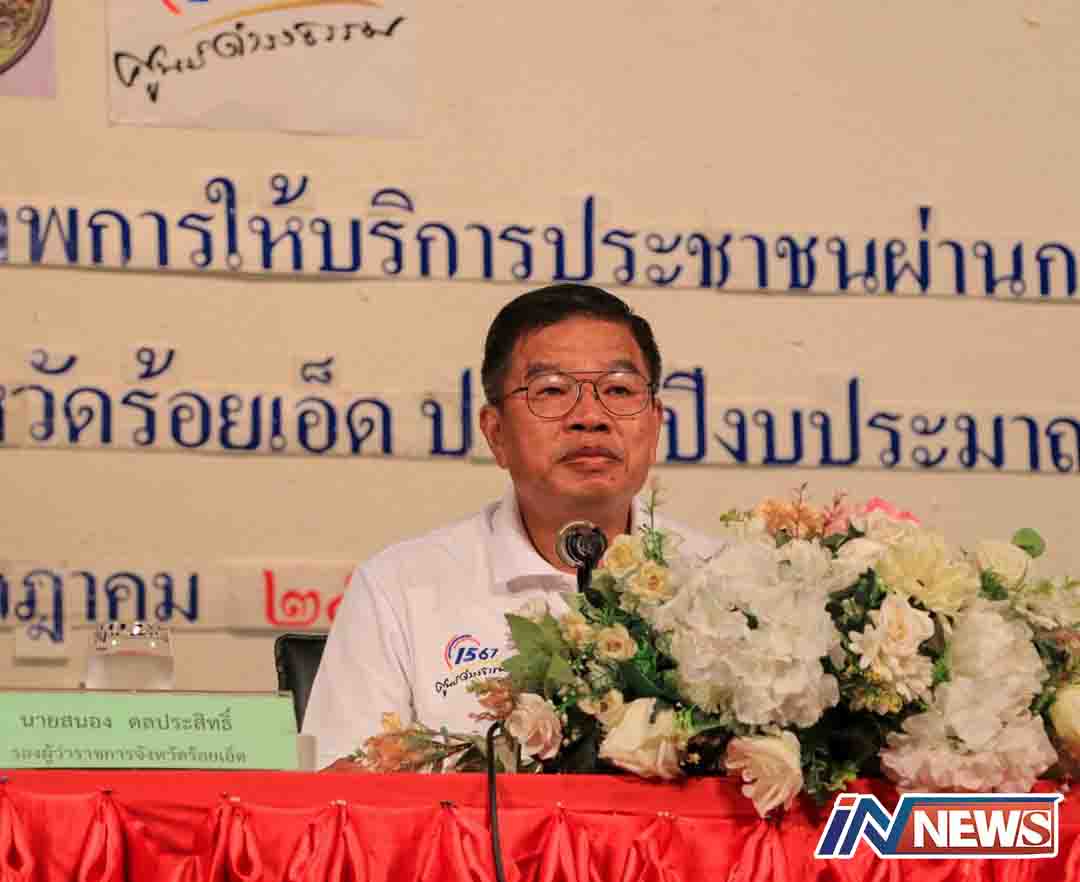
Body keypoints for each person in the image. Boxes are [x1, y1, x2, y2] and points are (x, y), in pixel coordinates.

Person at [302, 283, 719, 770]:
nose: (590, 417)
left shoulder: (723, 582)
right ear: (496, 433)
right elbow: (342, 789)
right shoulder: (400, 587)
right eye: (552, 391)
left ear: (655, 422)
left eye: (619, 390)